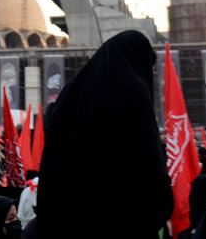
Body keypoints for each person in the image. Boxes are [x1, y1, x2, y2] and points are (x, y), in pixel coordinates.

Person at [36, 30, 172, 238]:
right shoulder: (134, 91)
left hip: (69, 217)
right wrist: (162, 203)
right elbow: (147, 158)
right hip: (119, 219)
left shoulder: (72, 92)